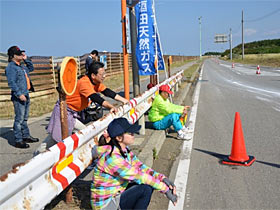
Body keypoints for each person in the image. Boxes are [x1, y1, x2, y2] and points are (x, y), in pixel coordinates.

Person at [36, 61, 129, 153]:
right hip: (64, 112)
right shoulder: (84, 83)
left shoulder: (95, 82)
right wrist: (111, 107)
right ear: (93, 75)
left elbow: (107, 92)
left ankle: (84, 156)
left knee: (82, 134)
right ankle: (38, 154)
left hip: (72, 113)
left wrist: (124, 100)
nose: (104, 76)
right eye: (102, 74)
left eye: (104, 73)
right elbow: (95, 97)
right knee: (61, 137)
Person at [91, 117, 177, 210]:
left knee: (149, 184)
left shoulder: (123, 150)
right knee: (145, 189)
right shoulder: (113, 158)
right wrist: (165, 189)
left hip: (116, 194)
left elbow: (140, 166)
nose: (133, 134)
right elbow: (139, 176)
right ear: (119, 138)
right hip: (106, 206)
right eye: (130, 133)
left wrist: (161, 178)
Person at [5, 46, 39, 149]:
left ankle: (26, 136)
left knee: (24, 118)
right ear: (13, 56)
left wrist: (26, 59)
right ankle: (18, 140)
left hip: (26, 93)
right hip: (19, 96)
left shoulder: (22, 66)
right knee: (19, 119)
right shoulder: (11, 67)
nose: (21, 55)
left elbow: (31, 68)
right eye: (19, 53)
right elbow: (12, 83)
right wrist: (19, 94)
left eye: (22, 53)